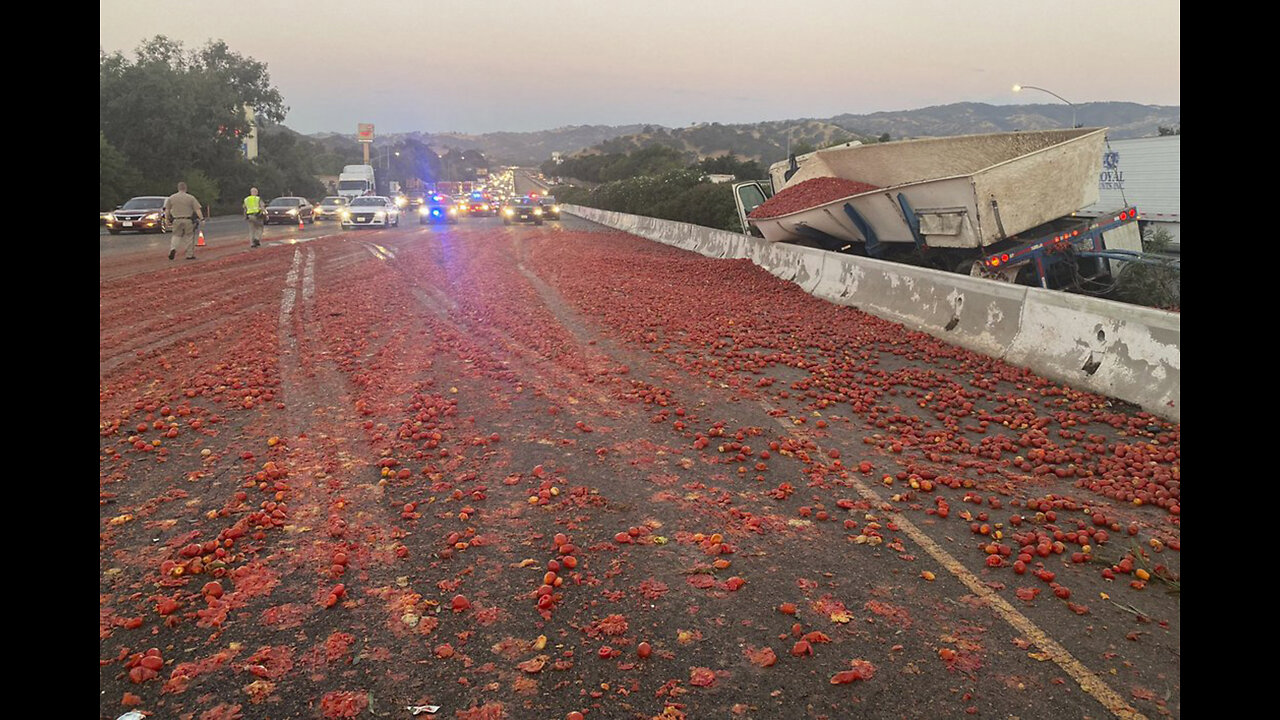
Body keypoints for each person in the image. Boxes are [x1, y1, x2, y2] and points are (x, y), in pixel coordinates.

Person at [164, 181, 204, 261]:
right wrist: (202, 219)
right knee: (189, 237)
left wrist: (166, 219)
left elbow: (167, 210)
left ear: (178, 188)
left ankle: (173, 248)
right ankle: (189, 255)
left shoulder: (171, 198)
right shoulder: (190, 197)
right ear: (185, 188)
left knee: (176, 236)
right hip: (187, 220)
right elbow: (197, 209)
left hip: (176, 220)